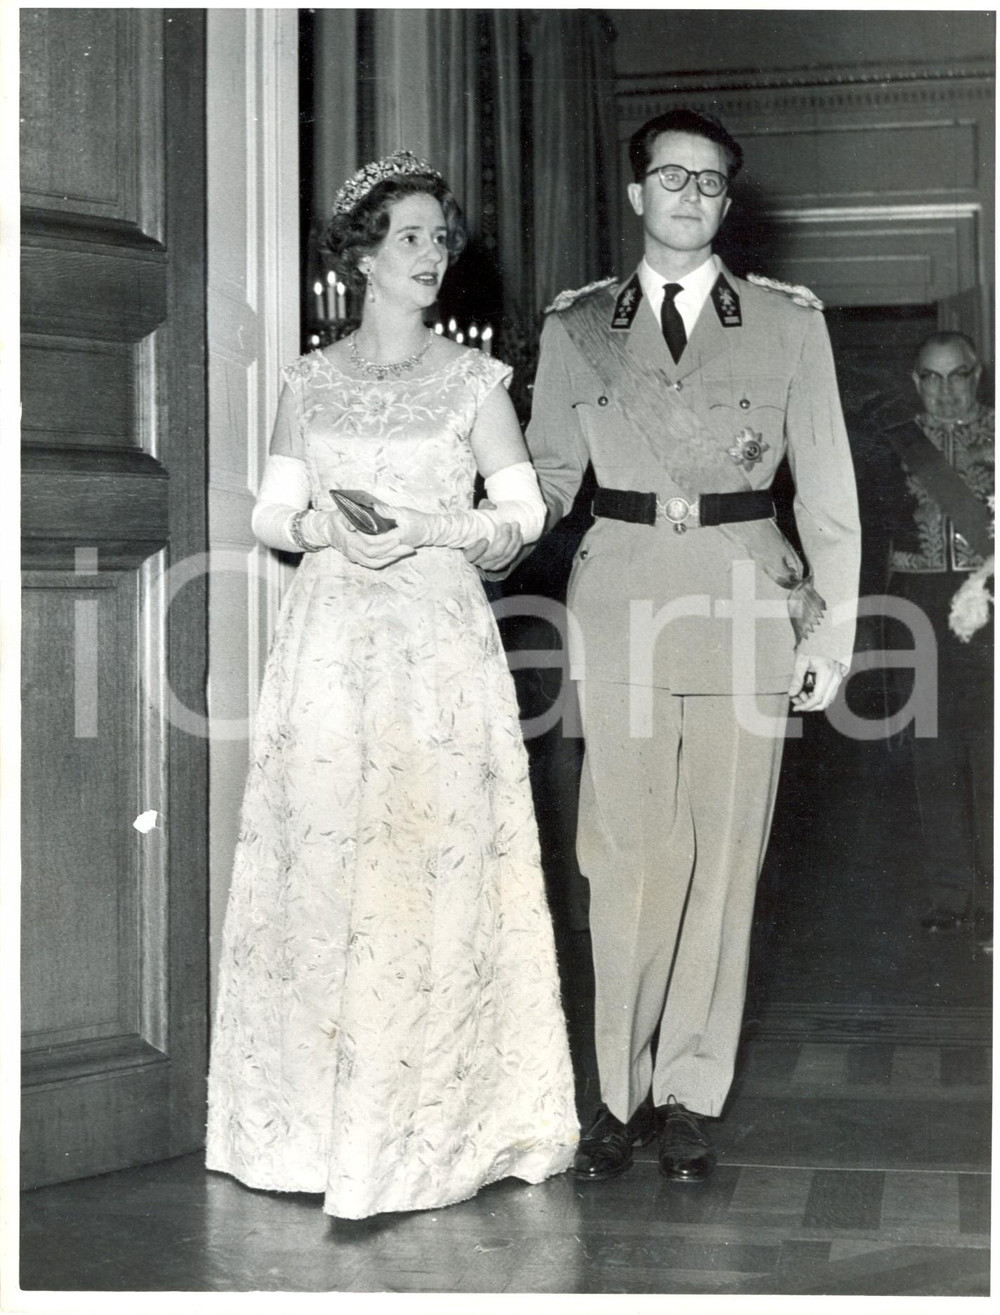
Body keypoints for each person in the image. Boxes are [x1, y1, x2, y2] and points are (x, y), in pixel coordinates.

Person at [206, 150, 578, 1220]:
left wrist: (429, 528)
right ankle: (313, 1132)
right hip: (328, 641)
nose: (431, 255)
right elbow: (271, 515)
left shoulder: (474, 382)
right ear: (362, 256)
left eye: (439, 238)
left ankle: (437, 1129)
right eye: (410, 236)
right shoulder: (310, 380)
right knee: (328, 870)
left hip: (436, 645)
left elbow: (521, 516)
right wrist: (322, 524)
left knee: (429, 864)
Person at [522, 108, 861, 1184]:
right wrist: (460, 531)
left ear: (728, 201)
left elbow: (830, 498)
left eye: (709, 183)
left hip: (748, 604)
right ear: (635, 195)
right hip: (619, 596)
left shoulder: (787, 324)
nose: (688, 196)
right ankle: (613, 1097)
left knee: (725, 852)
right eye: (669, 178)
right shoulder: (575, 327)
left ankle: (686, 1093)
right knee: (619, 853)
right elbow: (540, 484)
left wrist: (835, 634)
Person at [883, 331, 994, 944]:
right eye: (932, 376)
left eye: (958, 375)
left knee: (993, 752)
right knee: (934, 755)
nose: (946, 389)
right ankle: (951, 894)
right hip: (918, 608)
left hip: (993, 604)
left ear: (978, 375)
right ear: (915, 381)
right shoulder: (892, 446)